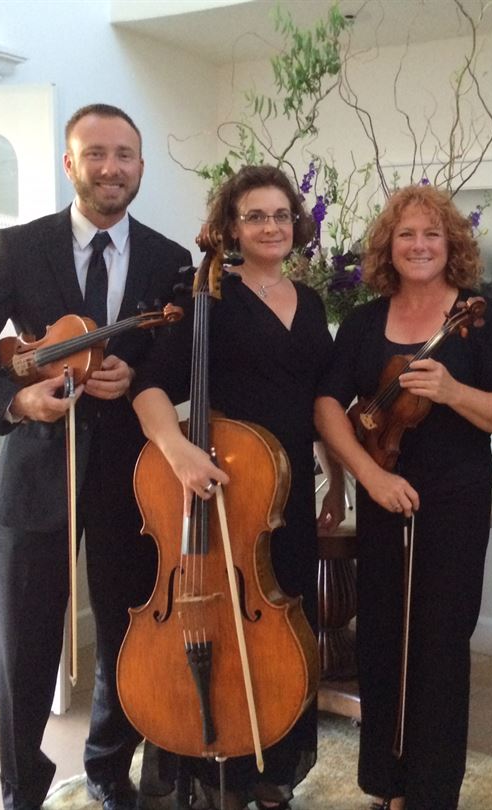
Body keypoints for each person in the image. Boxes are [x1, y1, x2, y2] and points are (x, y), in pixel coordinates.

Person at [0, 103, 192, 810]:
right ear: (70, 164)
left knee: (126, 633)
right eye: (95, 154)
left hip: (133, 479)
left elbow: (180, 366)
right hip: (35, 473)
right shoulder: (20, 247)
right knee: (25, 646)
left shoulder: (171, 260)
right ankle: (21, 787)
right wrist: (16, 401)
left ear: (141, 167)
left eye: (124, 155)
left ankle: (108, 768)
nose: (111, 168)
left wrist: (137, 376)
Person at [130, 164, 345, 810]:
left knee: (283, 633)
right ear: (231, 227)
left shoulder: (309, 302)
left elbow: (318, 401)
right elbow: (149, 391)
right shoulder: (210, 298)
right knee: (225, 631)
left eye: (280, 215)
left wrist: (335, 479)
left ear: (295, 224)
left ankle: (272, 775)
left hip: (288, 497)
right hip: (226, 489)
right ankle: (212, 772)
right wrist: (179, 454)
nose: (270, 227)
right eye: (255, 216)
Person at [314, 184, 492, 810]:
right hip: (383, 496)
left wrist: (454, 392)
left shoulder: (482, 319)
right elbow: (328, 406)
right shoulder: (365, 322)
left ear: (451, 243)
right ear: (388, 246)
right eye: (405, 234)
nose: (419, 245)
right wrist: (368, 476)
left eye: (431, 234)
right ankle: (386, 786)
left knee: (439, 647)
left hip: (455, 502)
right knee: (381, 641)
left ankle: (433, 792)